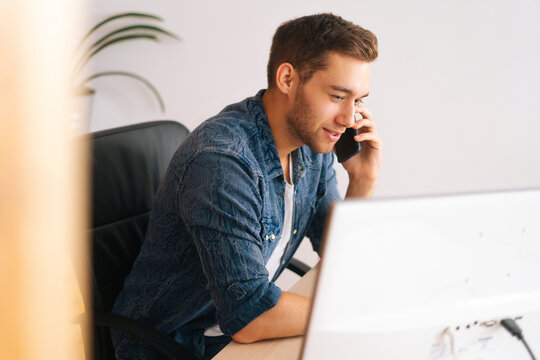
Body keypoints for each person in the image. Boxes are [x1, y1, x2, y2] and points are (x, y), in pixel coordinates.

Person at [111, 13, 382, 360]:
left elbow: (338, 256)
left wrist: (362, 179)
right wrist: (349, 310)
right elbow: (250, 315)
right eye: (337, 96)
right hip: (172, 345)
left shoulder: (313, 146)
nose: (349, 118)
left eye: (358, 100)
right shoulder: (223, 162)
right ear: (287, 78)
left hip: (236, 336)